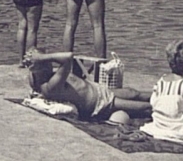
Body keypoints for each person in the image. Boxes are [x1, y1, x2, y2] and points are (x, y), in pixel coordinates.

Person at [23, 49, 151, 121]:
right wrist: (41, 57)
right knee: (145, 108)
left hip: (99, 90)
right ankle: (167, 108)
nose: (51, 63)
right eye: (46, 62)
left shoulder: (45, 74)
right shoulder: (50, 86)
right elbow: (68, 57)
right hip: (99, 104)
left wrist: (37, 56)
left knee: (133, 93)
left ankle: (166, 95)